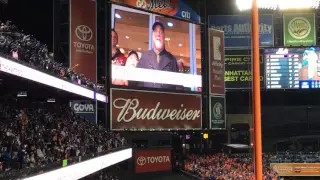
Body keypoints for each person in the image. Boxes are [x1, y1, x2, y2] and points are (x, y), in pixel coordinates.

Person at [137, 21, 179, 89]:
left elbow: (178, 85)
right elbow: (137, 81)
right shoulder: (145, 57)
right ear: (152, 35)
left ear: (164, 36)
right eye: (156, 31)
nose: (158, 34)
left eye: (161, 32)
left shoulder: (172, 59)